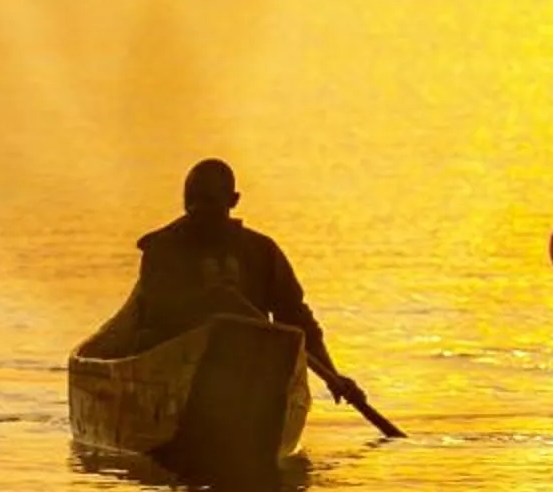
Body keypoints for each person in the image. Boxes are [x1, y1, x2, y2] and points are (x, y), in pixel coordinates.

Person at [87, 159, 369, 414]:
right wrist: (206, 301)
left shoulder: (261, 252)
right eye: (192, 201)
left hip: (249, 371)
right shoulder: (163, 249)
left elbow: (297, 322)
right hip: (175, 374)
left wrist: (334, 376)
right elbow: (155, 312)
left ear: (233, 200)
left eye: (208, 200)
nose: (198, 209)